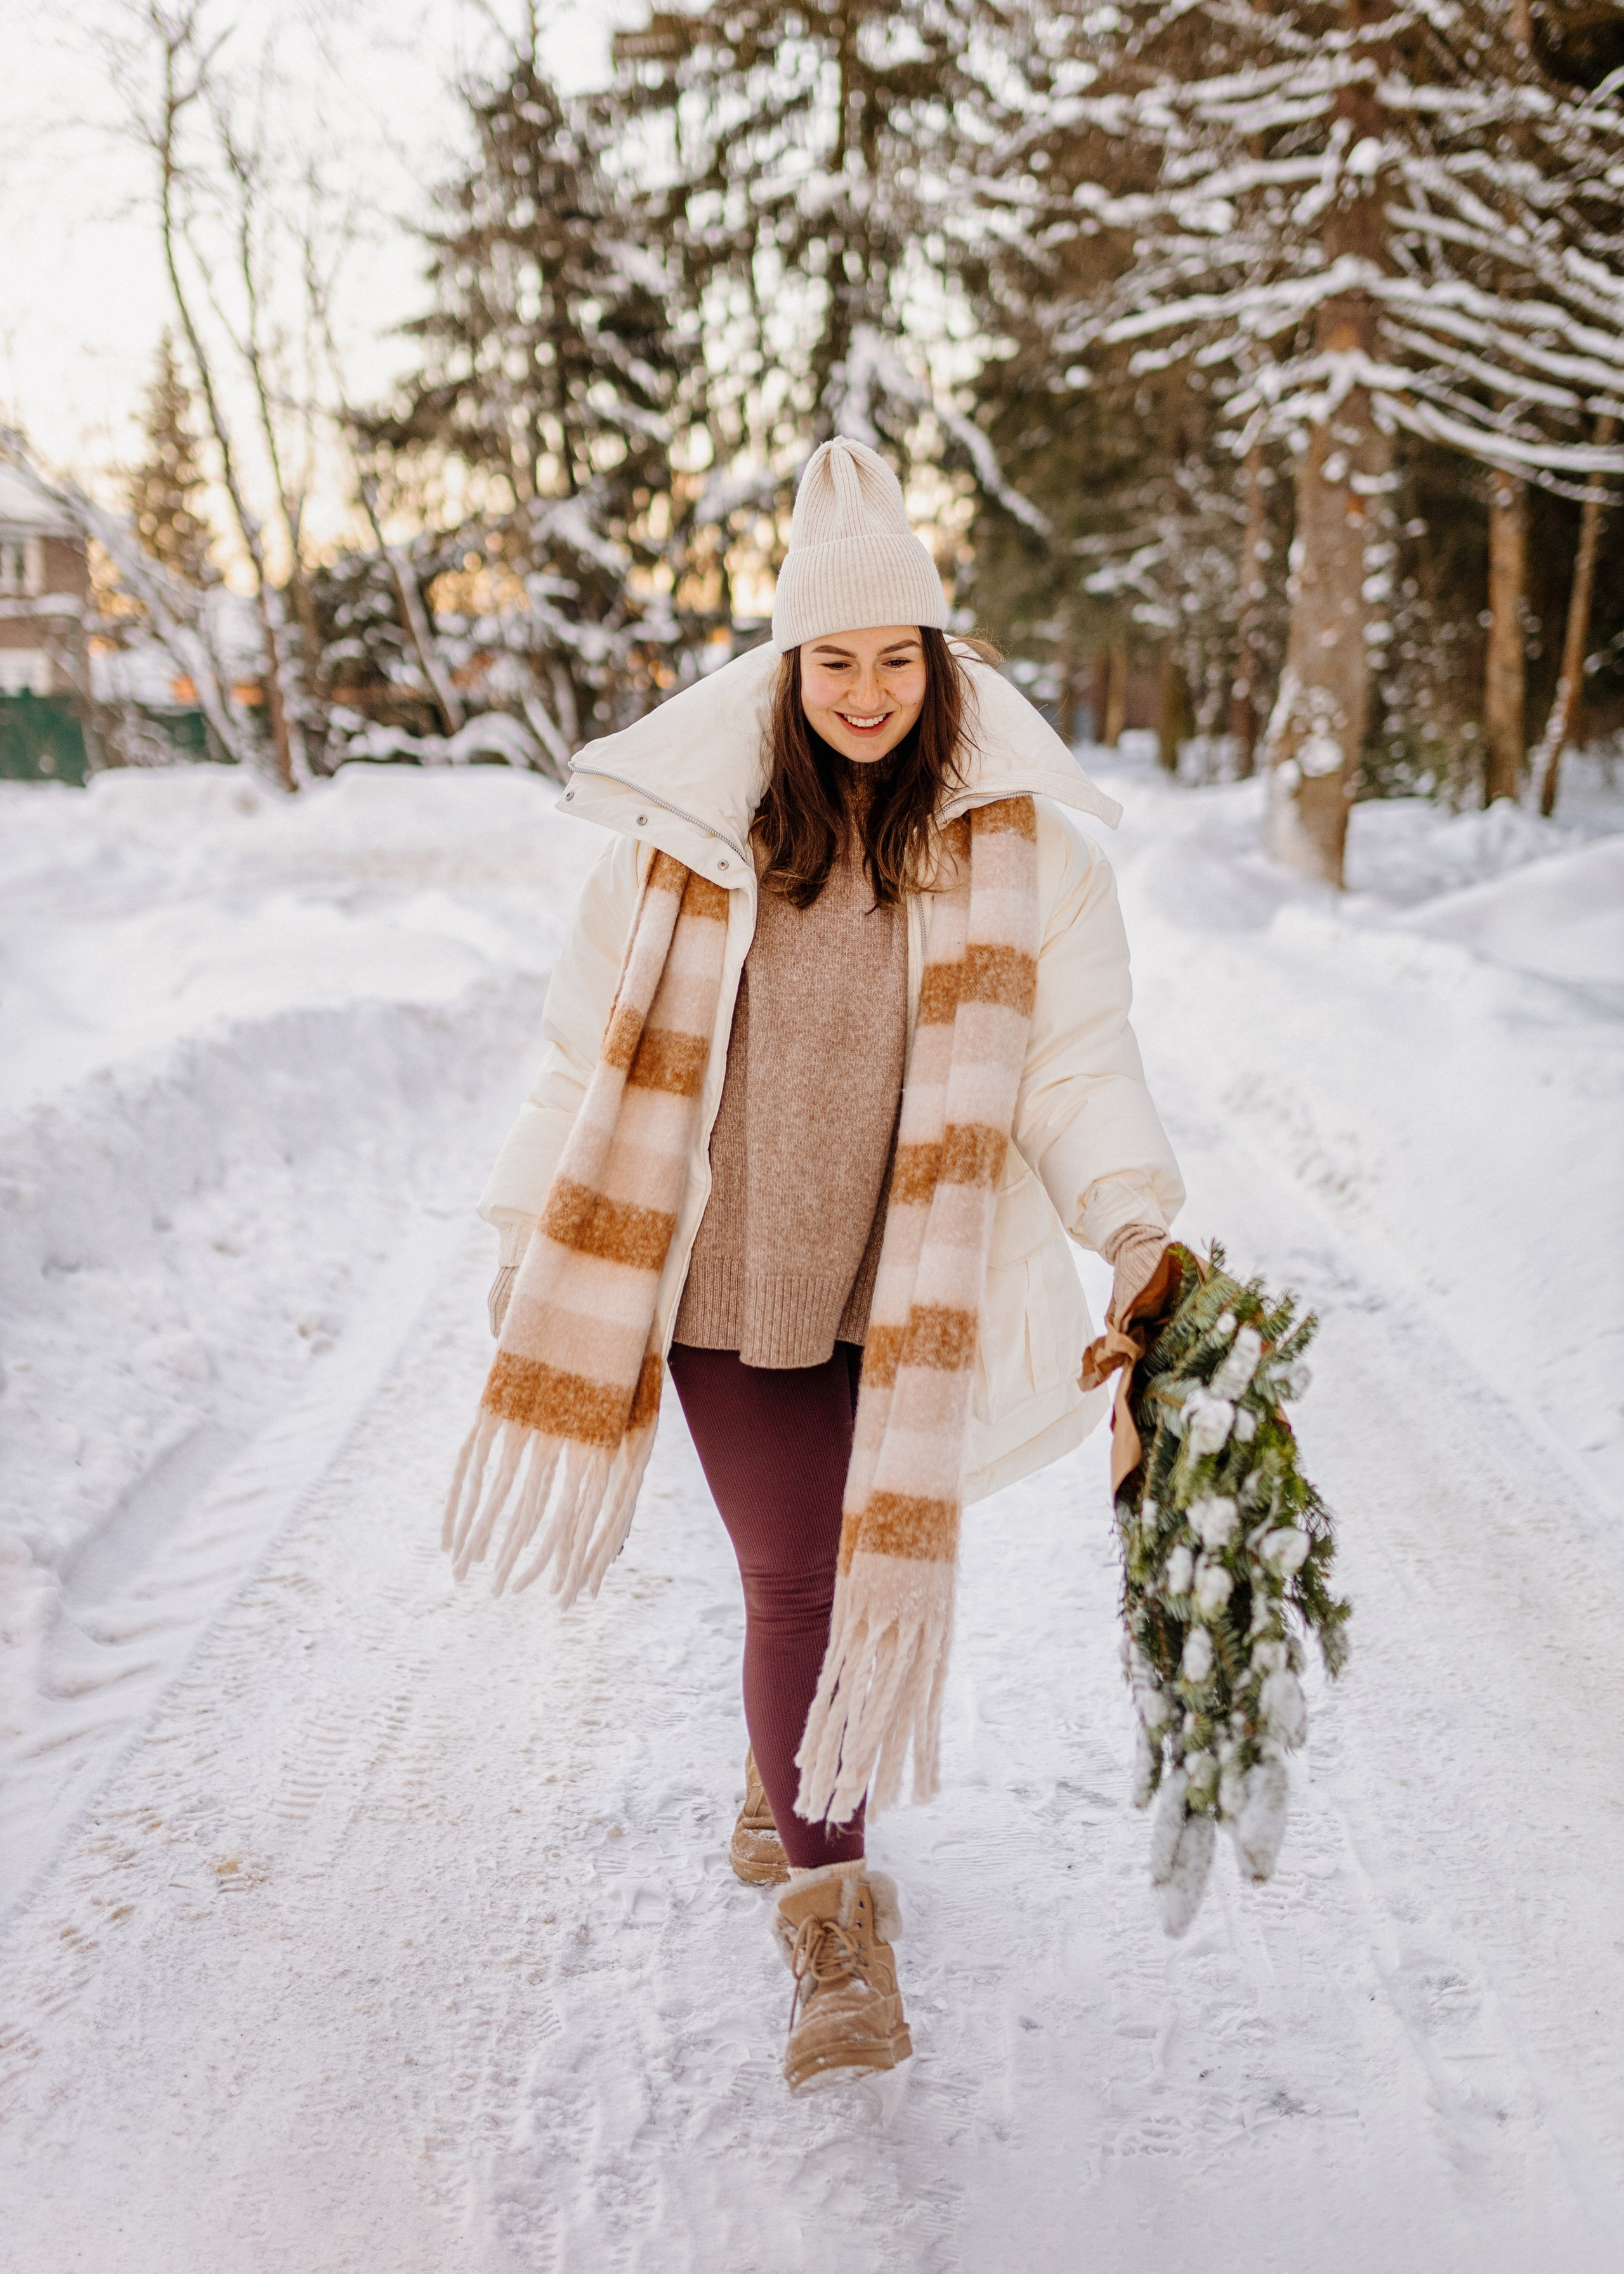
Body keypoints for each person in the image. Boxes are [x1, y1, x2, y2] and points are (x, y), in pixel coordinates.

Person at [449, 437, 1183, 2094]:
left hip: (906, 1287)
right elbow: (580, 1063)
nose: (868, 692)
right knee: (802, 1584)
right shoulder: (684, 848)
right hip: (722, 1280)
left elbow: (1075, 1068)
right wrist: (525, 1231)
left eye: (897, 658)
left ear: (941, 662)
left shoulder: (1021, 857)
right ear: (787, 671)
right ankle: (835, 1916)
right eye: (836, 661)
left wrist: (1134, 1218)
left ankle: (794, 1781)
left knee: (845, 1582)